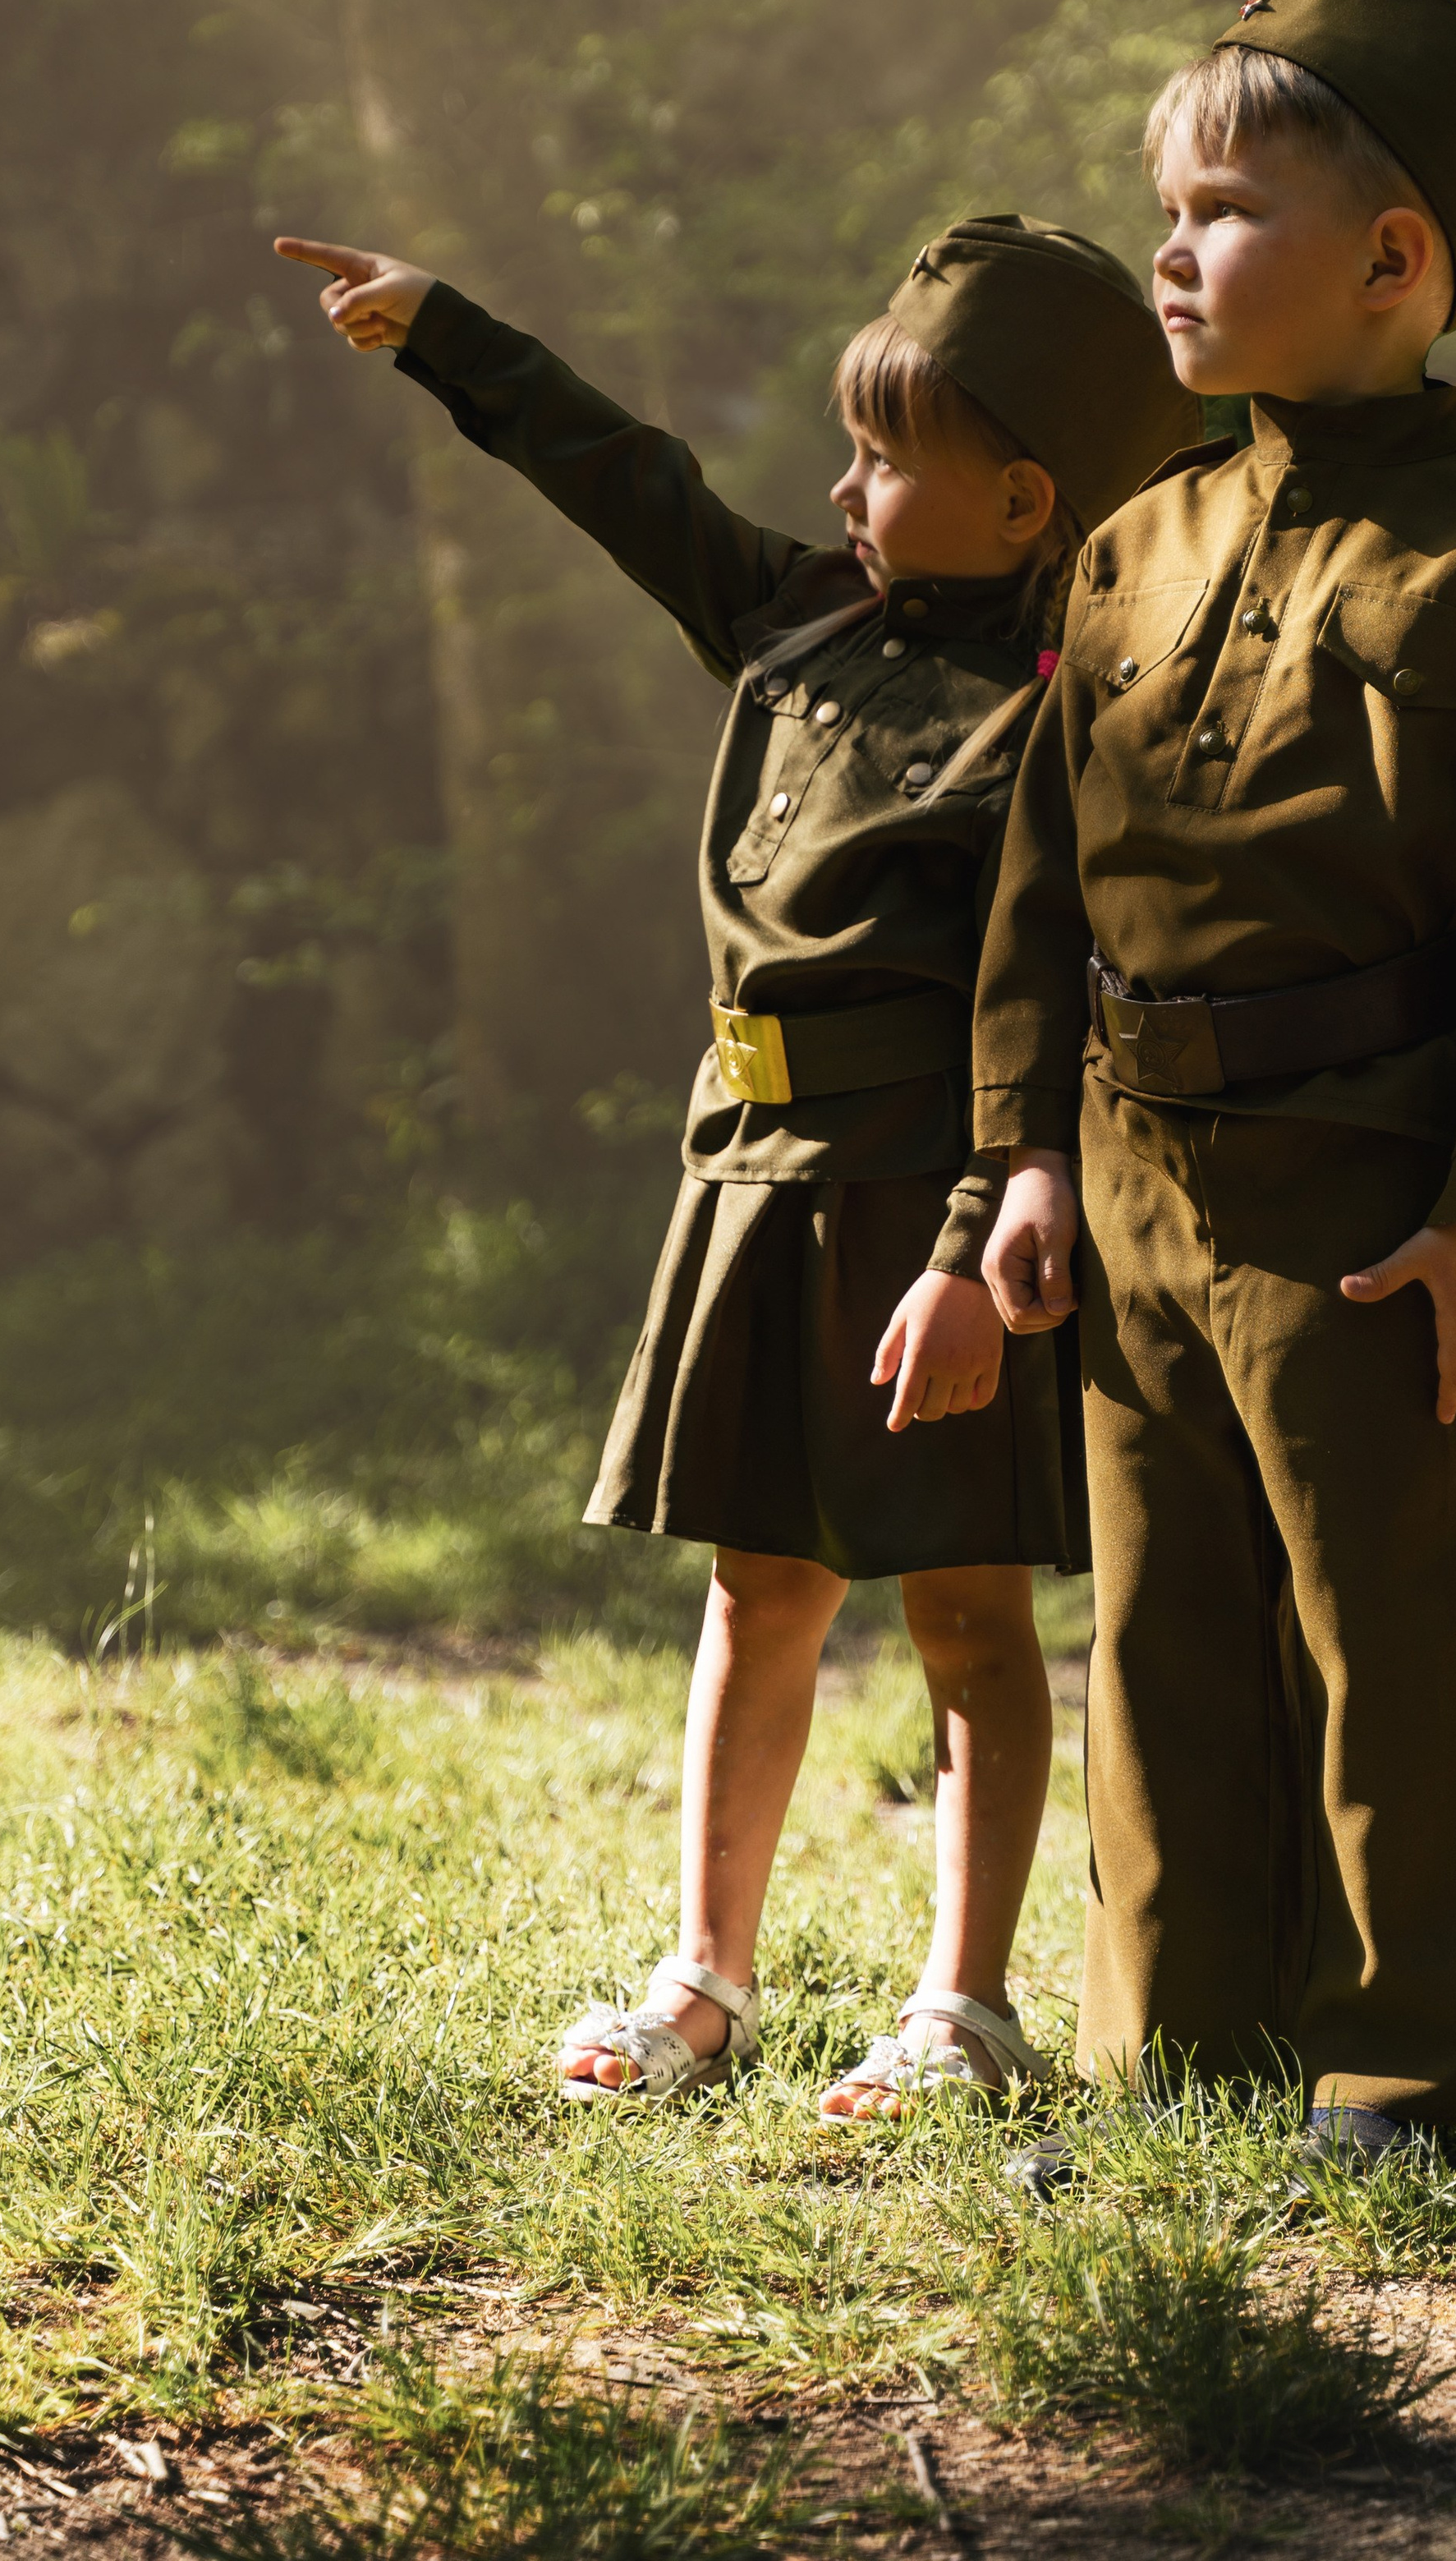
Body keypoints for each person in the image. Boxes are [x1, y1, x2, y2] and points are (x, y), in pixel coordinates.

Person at [274, 215, 1187, 2120]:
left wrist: (962, 1250)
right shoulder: (798, 622)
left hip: (920, 1209)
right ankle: (708, 1975)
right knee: (757, 1584)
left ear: (1021, 499)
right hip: (751, 1177)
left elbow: (1038, 1015)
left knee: (959, 1601)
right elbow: (631, 486)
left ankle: (965, 2005)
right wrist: (452, 333)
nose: (841, 488)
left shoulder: (1055, 710)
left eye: (883, 459)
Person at [969, 0, 1456, 2148]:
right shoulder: (1125, 544)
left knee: (1394, 1635)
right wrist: (1026, 1168)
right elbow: (1038, 893)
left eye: (1224, 209)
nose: (1172, 249)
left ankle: (1416, 2073)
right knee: (1166, 1630)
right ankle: (1178, 2045)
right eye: (1165, 204)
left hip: (1373, 1186)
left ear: (1394, 259)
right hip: (1132, 1167)